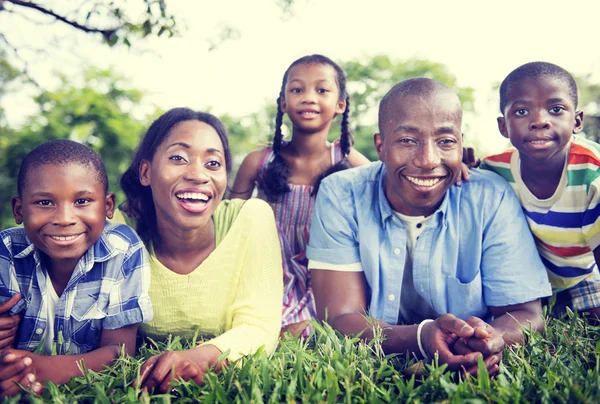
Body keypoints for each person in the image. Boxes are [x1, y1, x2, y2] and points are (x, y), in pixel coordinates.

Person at [307, 78, 553, 377]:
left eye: (445, 141)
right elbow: (340, 317)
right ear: (381, 146)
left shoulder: (490, 196)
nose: (427, 160)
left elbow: (526, 313)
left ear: (461, 146)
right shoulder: (341, 193)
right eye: (408, 141)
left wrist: (488, 340)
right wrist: (421, 339)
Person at [116, 108, 283, 393]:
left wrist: (193, 359)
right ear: (146, 172)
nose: (198, 175)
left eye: (213, 163)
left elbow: (259, 328)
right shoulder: (120, 232)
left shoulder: (251, 218)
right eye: (178, 158)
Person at [230, 54, 370, 337]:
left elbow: (395, 192)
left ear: (340, 104)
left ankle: (312, 326)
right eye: (297, 90)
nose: (308, 98)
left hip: (327, 273)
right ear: (283, 102)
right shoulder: (258, 161)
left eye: (321, 90)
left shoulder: (350, 162)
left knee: (333, 326)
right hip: (268, 272)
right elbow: (229, 225)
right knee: (254, 327)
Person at [0, 140, 152, 398]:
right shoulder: (7, 251)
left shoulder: (122, 250)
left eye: (82, 201)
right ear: (19, 209)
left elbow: (120, 352)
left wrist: (45, 369)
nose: (64, 219)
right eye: (45, 203)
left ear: (107, 207)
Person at [480, 62, 600, 321]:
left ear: (577, 121)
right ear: (503, 126)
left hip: (579, 276)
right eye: (522, 111)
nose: (539, 121)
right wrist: (459, 164)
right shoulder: (492, 170)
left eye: (556, 110)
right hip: (523, 284)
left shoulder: (592, 175)